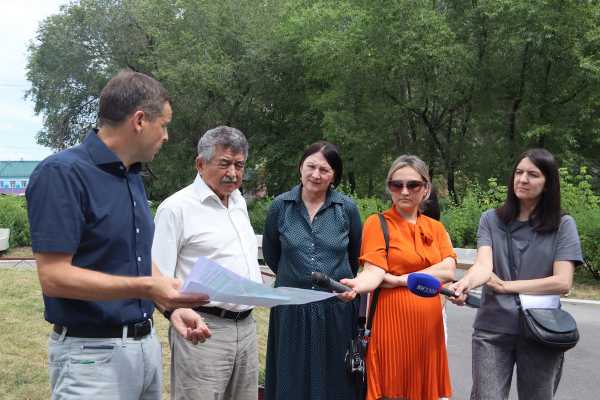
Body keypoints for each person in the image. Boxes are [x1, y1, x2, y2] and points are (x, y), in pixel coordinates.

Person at [26, 70, 209, 400]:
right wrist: (145, 286)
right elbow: (54, 277)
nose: (166, 136)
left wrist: (169, 306)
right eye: (164, 124)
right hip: (91, 358)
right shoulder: (62, 173)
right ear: (139, 120)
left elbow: (135, 257)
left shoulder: (132, 177)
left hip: (144, 350)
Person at [449, 148, 583, 400]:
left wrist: (506, 286)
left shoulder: (563, 225)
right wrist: (465, 283)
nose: (522, 179)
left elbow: (562, 281)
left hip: (542, 330)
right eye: (519, 173)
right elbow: (483, 266)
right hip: (492, 329)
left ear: (548, 183)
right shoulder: (491, 219)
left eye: (533, 174)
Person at [152, 126, 262, 400]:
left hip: (247, 328)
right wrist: (172, 313)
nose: (233, 173)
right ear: (200, 164)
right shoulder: (176, 208)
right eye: (224, 164)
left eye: (239, 165)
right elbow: (157, 280)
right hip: (203, 327)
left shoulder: (238, 202)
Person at [340, 154, 456, 400]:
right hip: (391, 325)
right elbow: (374, 272)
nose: (404, 191)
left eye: (413, 185)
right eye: (397, 184)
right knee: (392, 393)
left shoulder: (436, 228)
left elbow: (448, 269)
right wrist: (357, 285)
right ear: (389, 188)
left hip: (429, 329)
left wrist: (400, 279)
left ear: (425, 189)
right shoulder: (377, 223)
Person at [262, 141, 362, 400]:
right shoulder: (280, 207)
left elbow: (354, 260)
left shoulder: (346, 209)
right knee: (291, 377)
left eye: (325, 170)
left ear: (334, 176)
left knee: (335, 379)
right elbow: (273, 256)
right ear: (300, 168)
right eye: (311, 166)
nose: (316, 175)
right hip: (291, 309)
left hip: (335, 309)